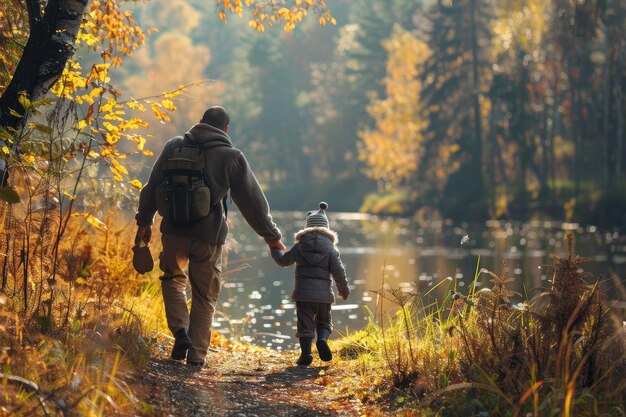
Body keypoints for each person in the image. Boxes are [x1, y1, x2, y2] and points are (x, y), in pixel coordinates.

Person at [135, 106, 285, 366]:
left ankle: (180, 332)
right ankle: (196, 357)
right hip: (208, 236)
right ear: (225, 129)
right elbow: (253, 203)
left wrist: (144, 221)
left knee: (172, 280)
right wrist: (272, 237)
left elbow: (152, 185)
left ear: (200, 121)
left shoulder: (174, 145)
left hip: (172, 231)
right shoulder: (231, 156)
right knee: (205, 296)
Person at [270, 202, 349, 366]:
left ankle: (305, 354)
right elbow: (339, 272)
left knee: (304, 323)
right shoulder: (332, 250)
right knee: (324, 322)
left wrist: (275, 249)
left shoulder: (300, 247)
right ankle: (321, 340)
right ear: (327, 229)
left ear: (307, 228)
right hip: (324, 296)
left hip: (303, 295)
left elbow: (283, 261)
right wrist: (344, 290)